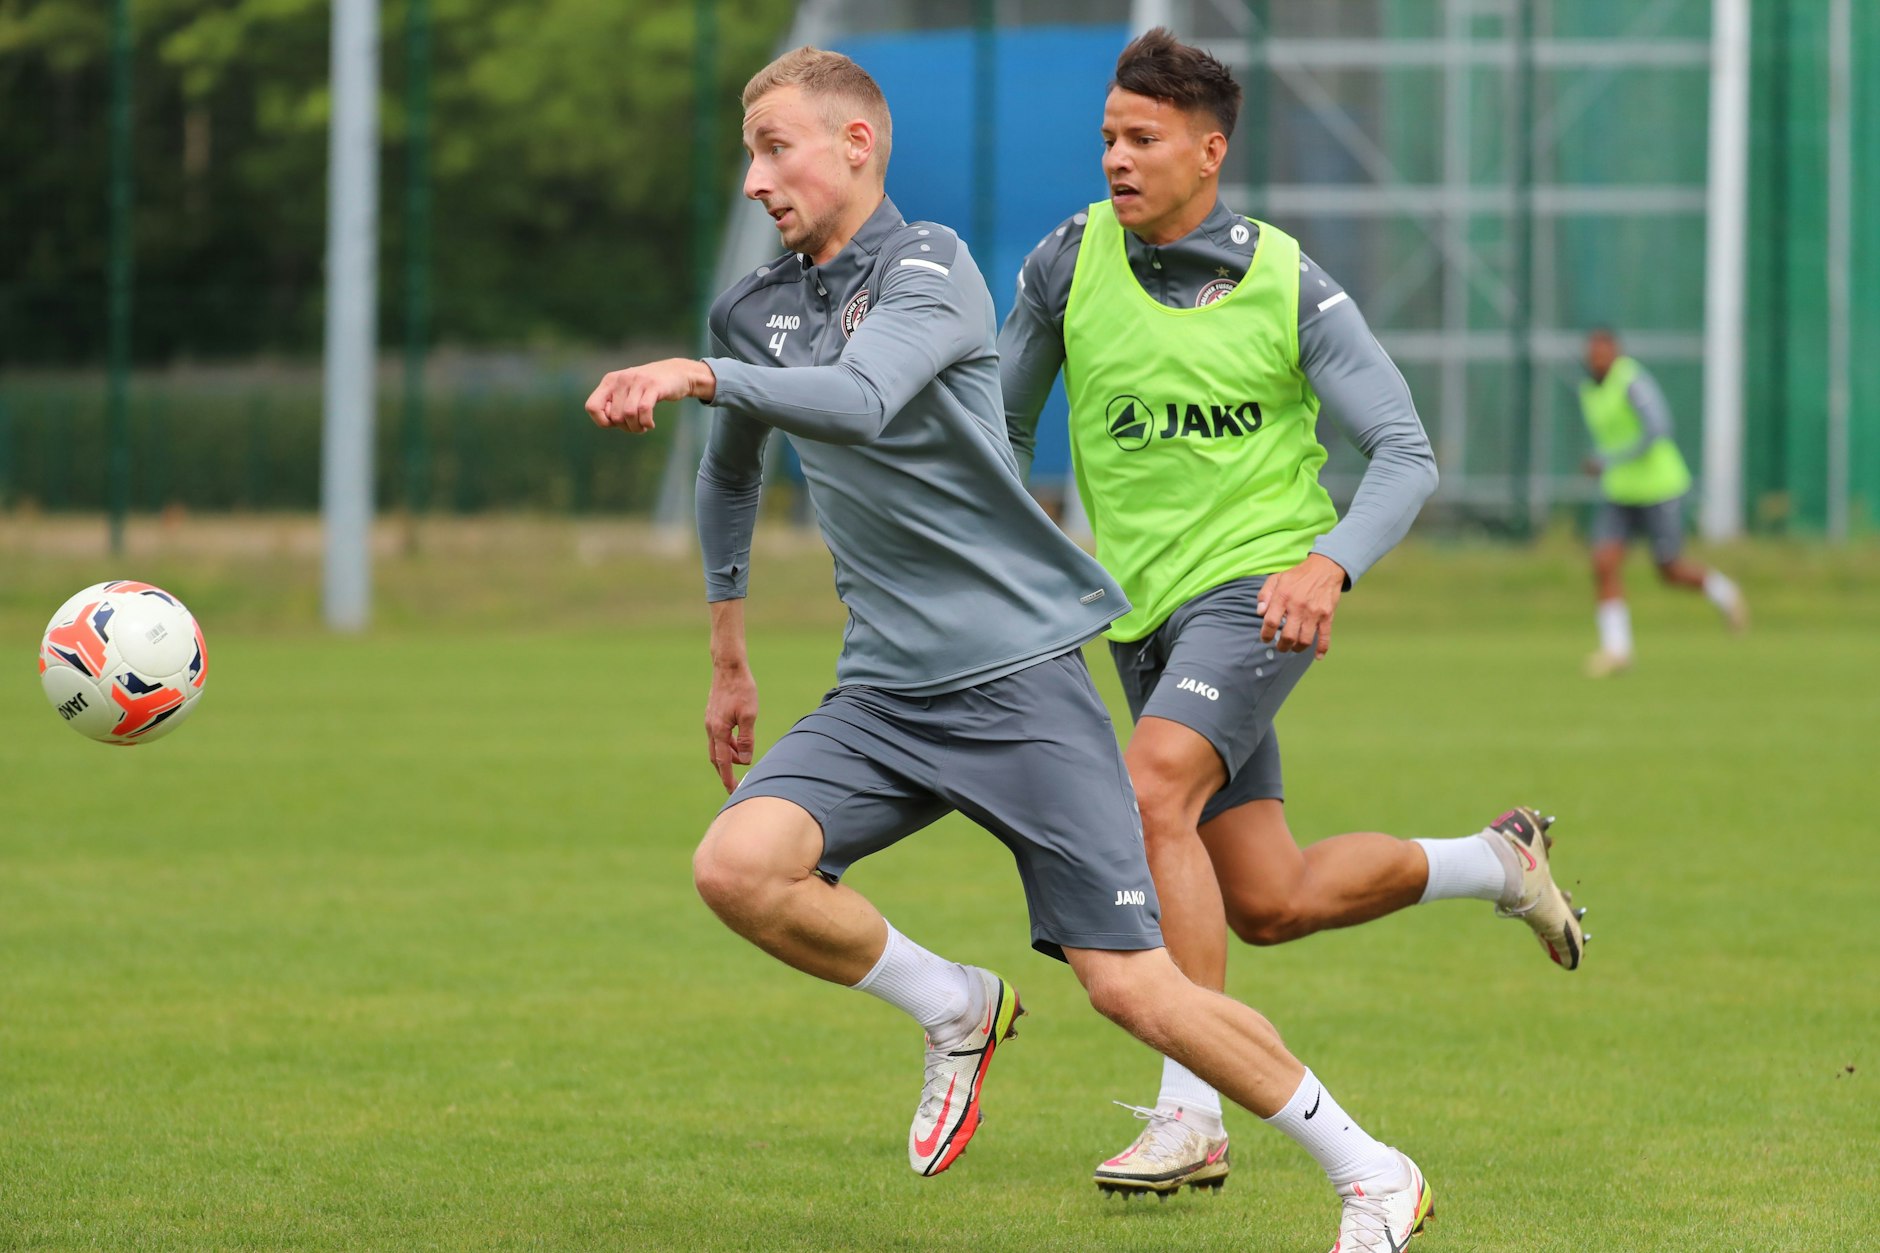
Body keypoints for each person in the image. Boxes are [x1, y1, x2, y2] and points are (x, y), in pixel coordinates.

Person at [589, 45, 1432, 1251]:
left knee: (1131, 984)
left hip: (1015, 681)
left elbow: (862, 398)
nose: (754, 181)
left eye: (775, 149)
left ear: (855, 145)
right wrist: (728, 649)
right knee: (737, 866)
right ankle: (952, 1002)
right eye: (748, 154)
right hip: (881, 686)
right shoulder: (756, 309)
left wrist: (699, 373)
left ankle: (1370, 1169)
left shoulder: (932, 268)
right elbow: (730, 472)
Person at [999, 28, 1587, 1205]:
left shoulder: (1286, 278)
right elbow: (997, 433)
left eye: (1143, 139)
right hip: (1139, 611)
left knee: (1149, 784)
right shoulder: (1065, 264)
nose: (1116, 157)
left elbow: (1404, 453)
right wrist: (1018, 564)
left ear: (1208, 151)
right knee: (1267, 897)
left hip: (1256, 590)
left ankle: (1190, 1110)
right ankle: (1492, 863)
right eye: (1108, 136)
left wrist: (1327, 564)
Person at [1579, 327, 1748, 676]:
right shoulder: (1587, 390)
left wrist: (1609, 460)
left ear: (1615, 352)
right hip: (1620, 491)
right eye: (1591, 352)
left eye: (1602, 351)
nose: (1595, 358)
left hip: (1659, 487)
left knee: (1669, 569)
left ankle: (1725, 593)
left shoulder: (1631, 382)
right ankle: (1617, 650)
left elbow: (1657, 428)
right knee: (1604, 562)